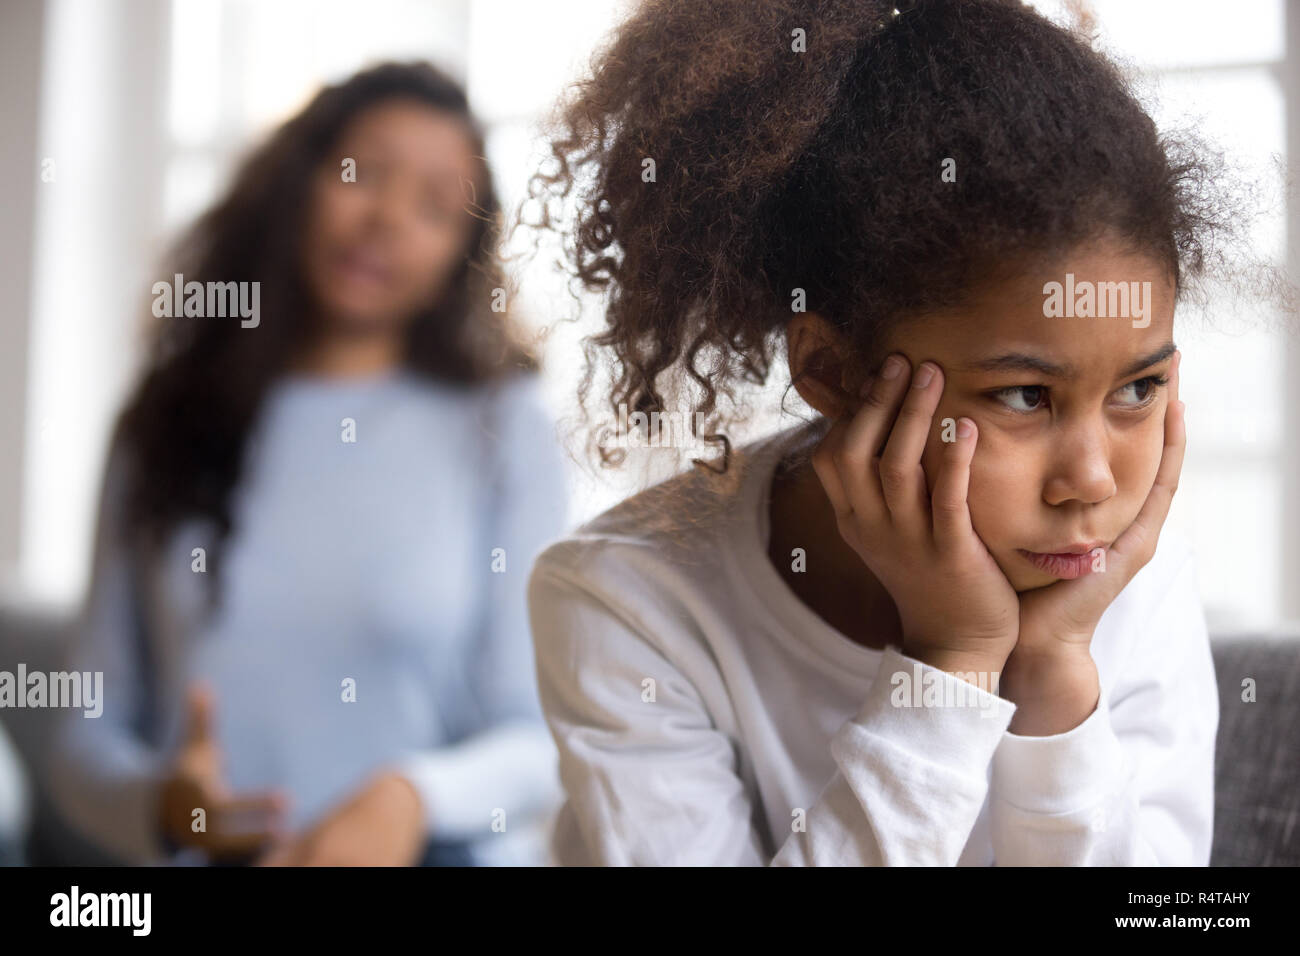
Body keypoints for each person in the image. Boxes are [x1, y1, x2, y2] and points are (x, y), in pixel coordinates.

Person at [519, 0, 1275, 864]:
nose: (1095, 483)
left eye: (1139, 387)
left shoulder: (1126, 582)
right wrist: (951, 667)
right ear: (833, 374)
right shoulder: (627, 601)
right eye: (1026, 396)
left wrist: (1053, 677)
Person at [49, 61, 567, 867]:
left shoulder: (504, 429)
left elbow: (537, 743)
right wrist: (166, 806)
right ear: (299, 180)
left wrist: (413, 799)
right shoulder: (160, 422)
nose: (387, 218)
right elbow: (85, 735)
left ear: (457, 258)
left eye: (434, 206)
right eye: (363, 175)